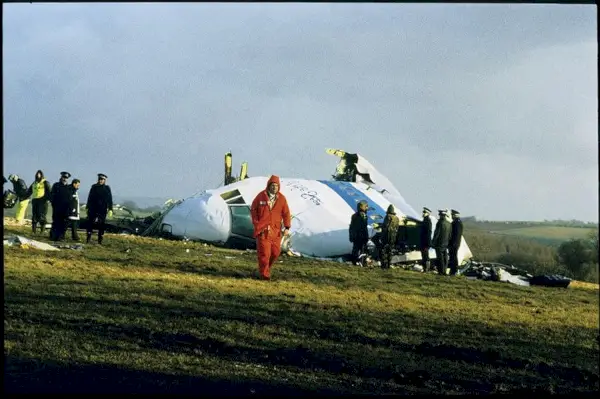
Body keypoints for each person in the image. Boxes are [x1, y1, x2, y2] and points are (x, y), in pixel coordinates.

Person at [250, 175, 291, 281]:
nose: (274, 188)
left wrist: (287, 227)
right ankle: (264, 275)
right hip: (263, 230)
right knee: (264, 254)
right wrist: (256, 223)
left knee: (275, 253)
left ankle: (265, 269)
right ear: (268, 185)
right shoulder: (261, 196)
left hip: (276, 231)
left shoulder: (282, 199)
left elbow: (286, 213)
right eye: (272, 185)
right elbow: (253, 209)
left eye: (276, 186)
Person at [86, 173, 114, 244]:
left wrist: (110, 209)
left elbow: (110, 199)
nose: (100, 181)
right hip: (93, 208)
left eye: (102, 179)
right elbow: (90, 197)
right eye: (99, 179)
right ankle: (88, 239)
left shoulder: (107, 188)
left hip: (102, 209)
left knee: (101, 225)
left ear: (104, 180)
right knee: (90, 224)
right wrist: (87, 207)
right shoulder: (94, 187)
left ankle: (99, 240)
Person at [50, 171, 72, 241]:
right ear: (61, 177)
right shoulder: (56, 185)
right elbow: (52, 196)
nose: (64, 179)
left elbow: (70, 199)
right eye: (63, 177)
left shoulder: (69, 188)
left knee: (63, 223)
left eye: (66, 178)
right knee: (56, 222)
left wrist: (69, 208)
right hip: (57, 208)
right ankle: (53, 236)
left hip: (65, 209)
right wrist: (54, 204)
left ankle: (61, 236)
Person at [29, 170, 52, 235]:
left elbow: (50, 192)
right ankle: (33, 231)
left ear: (42, 175)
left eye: (39, 174)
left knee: (42, 217)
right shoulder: (34, 183)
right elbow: (29, 191)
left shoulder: (45, 182)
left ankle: (42, 231)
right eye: (37, 174)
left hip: (43, 201)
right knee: (34, 217)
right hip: (35, 201)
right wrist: (23, 197)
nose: (38, 175)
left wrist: (50, 200)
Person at [349, 200, 370, 266]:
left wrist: (351, 236)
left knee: (355, 249)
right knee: (363, 250)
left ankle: (354, 262)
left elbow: (351, 227)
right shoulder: (364, 216)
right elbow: (364, 227)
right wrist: (366, 237)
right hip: (361, 236)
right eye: (366, 207)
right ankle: (362, 263)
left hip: (355, 236)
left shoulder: (354, 216)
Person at [432, 209, 451, 275]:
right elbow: (450, 234)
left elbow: (437, 233)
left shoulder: (440, 223)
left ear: (440, 215)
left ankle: (441, 271)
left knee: (440, 258)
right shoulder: (449, 224)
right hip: (446, 243)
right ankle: (444, 270)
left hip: (439, 243)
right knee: (445, 257)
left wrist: (433, 242)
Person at [380, 204, 400, 269]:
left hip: (386, 237)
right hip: (393, 238)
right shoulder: (397, 219)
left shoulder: (387, 217)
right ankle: (389, 264)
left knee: (384, 251)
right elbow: (397, 228)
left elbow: (385, 227)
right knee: (390, 251)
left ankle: (384, 265)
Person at [448, 209, 464, 276]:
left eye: (452, 215)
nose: (451, 216)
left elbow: (456, 234)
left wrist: (454, 243)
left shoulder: (457, 223)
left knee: (453, 257)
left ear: (455, 215)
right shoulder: (457, 222)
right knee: (453, 257)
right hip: (455, 243)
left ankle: (453, 271)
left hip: (454, 243)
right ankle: (453, 271)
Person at [419, 207, 433, 272]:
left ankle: (427, 269)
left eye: (424, 212)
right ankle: (425, 268)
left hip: (425, 242)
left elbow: (428, 233)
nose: (423, 213)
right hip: (423, 241)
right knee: (424, 255)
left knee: (426, 256)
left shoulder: (428, 221)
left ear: (427, 213)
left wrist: (427, 243)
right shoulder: (425, 220)